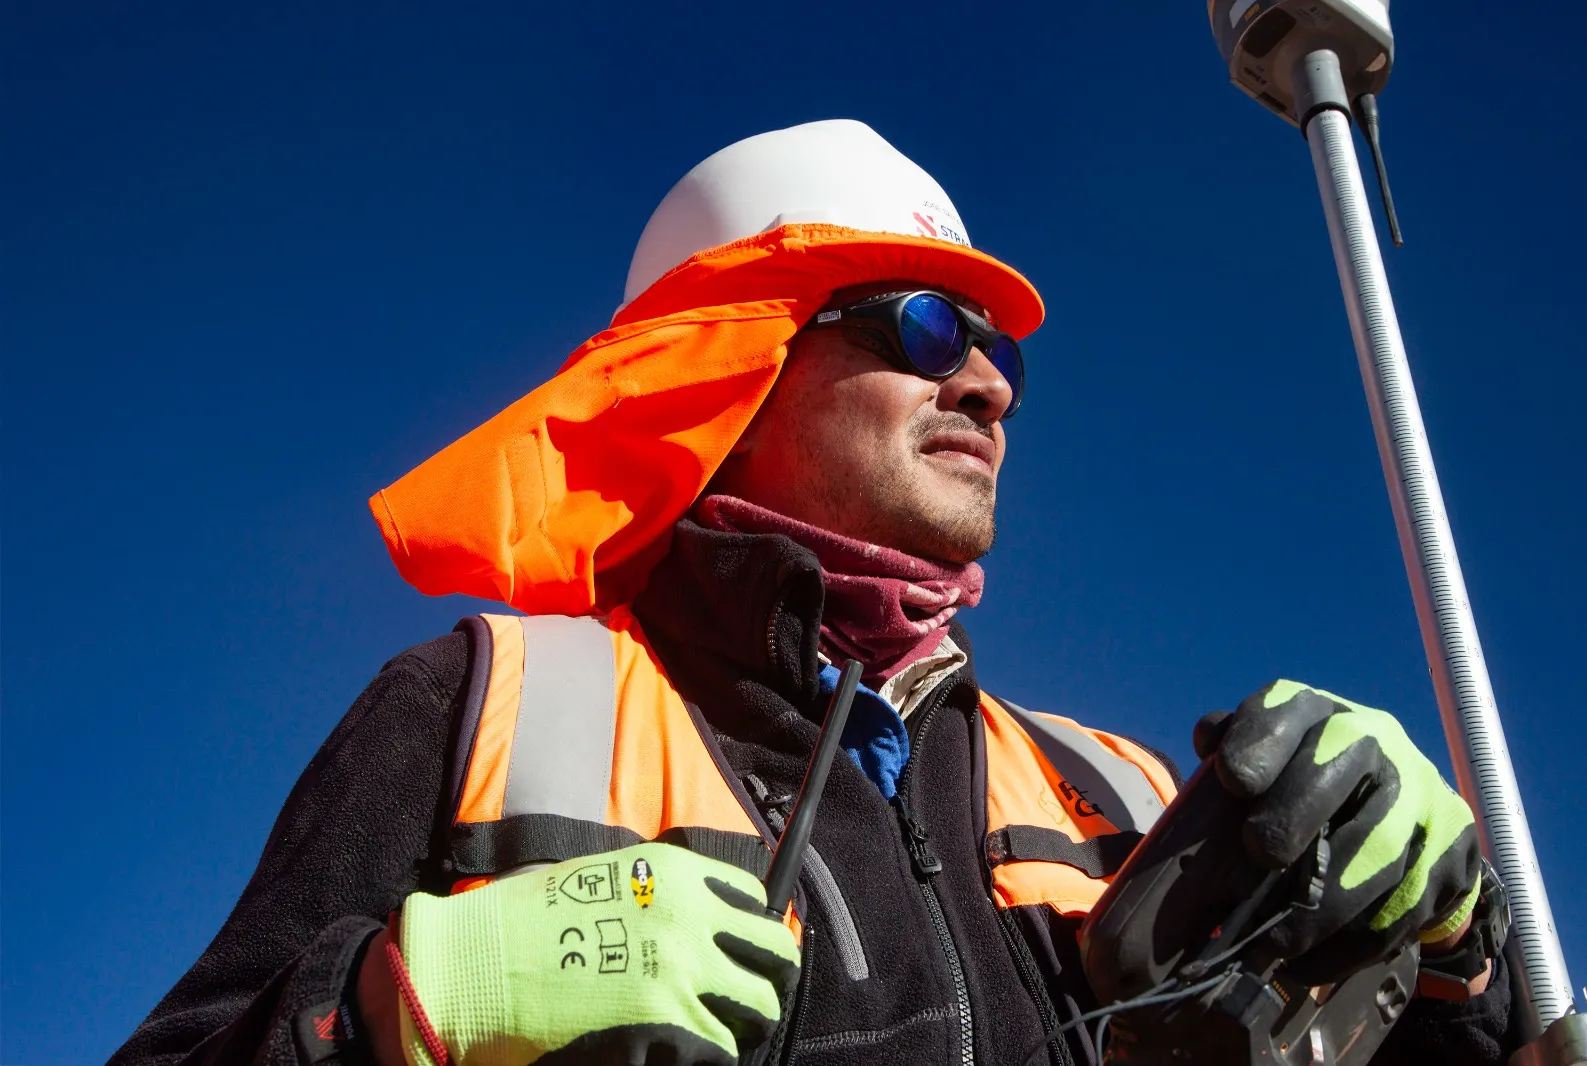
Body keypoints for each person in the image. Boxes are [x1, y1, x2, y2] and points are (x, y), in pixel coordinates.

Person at [111, 120, 1513, 1066]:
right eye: (919, 323)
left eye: (1001, 361)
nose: (984, 380)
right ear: (731, 361)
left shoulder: (1139, 796)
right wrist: (387, 1011)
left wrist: (1459, 947)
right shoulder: (481, 708)